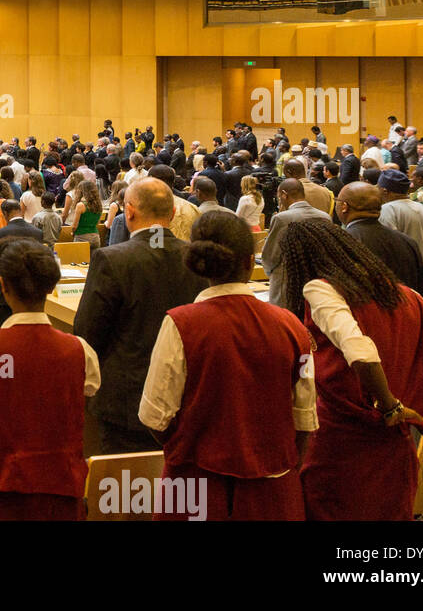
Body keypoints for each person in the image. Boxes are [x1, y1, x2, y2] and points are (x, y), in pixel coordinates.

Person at [279, 221, 423, 520]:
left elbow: (361, 352)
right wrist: (408, 406)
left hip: (338, 446)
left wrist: (391, 405)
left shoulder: (318, 288)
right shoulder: (412, 298)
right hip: (393, 449)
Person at [139, 212, 315, 520]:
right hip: (272, 487)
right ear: (250, 262)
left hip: (195, 487)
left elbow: (155, 418)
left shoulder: (181, 323)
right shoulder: (291, 326)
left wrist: (190, 446)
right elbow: (305, 419)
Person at [0, 236, 100, 520]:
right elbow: (78, 403)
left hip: (3, 482)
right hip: (62, 484)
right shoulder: (80, 350)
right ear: (51, 286)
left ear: (3, 285)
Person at [73, 179, 207, 453]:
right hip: (184, 395)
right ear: (171, 214)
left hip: (125, 399)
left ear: (129, 212)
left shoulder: (111, 260)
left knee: (127, 490)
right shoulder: (196, 258)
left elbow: (87, 333)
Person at [336, 182, 423, 300]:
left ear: (344, 206)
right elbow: (418, 294)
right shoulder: (408, 242)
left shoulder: (340, 242)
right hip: (406, 314)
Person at [263, 178, 333, 308]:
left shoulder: (281, 218)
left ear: (284, 194)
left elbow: (270, 256)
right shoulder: (325, 217)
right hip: (317, 281)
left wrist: (269, 273)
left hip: (287, 283)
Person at [377, 169, 423, 305]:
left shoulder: (388, 210)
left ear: (385, 191)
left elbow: (389, 249)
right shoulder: (422, 208)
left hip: (403, 283)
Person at [64, 179, 102, 250]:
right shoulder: (98, 205)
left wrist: (72, 232)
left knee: (79, 260)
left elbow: (74, 225)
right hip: (96, 236)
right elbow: (98, 222)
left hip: (82, 237)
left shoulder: (80, 205)